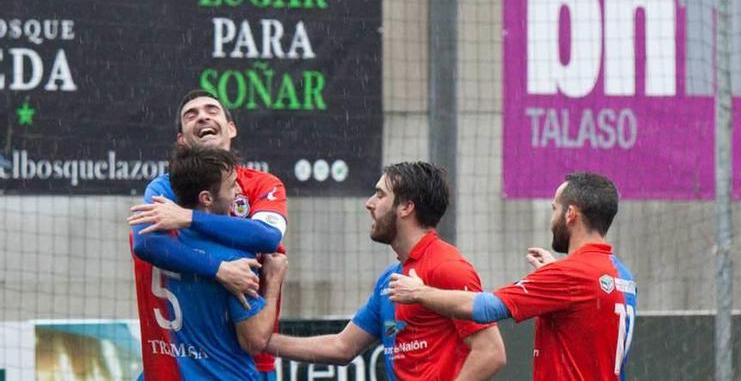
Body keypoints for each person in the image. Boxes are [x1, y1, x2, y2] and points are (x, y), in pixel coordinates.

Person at [264, 161, 506, 380]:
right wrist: (262, 341)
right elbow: (342, 347)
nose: (369, 203)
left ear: (406, 208)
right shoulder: (390, 279)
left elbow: (491, 353)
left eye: (380, 195)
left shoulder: (448, 267)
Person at [388, 172, 637, 381]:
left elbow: (486, 308)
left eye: (555, 209)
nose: (552, 219)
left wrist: (419, 292)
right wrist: (555, 276)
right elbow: (587, 316)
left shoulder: (569, 276)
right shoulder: (622, 275)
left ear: (570, 214)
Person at [128, 90, 288, 379]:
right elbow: (145, 242)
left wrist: (189, 218)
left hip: (244, 357)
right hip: (209, 361)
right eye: (191, 115)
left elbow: (268, 237)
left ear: (231, 128)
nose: (202, 116)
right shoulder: (163, 188)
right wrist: (219, 270)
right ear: (181, 140)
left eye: (212, 110)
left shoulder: (263, 183)